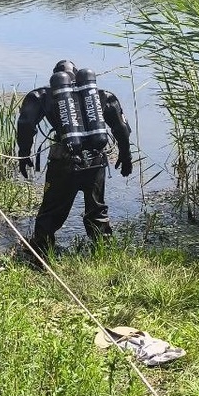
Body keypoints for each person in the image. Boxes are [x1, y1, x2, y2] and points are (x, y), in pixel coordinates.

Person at [15, 60, 133, 256]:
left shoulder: (43, 95)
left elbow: (26, 123)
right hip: (96, 161)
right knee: (97, 210)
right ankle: (103, 252)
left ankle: (40, 254)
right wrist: (125, 155)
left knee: (51, 211)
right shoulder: (101, 96)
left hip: (64, 161)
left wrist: (24, 154)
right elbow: (121, 128)